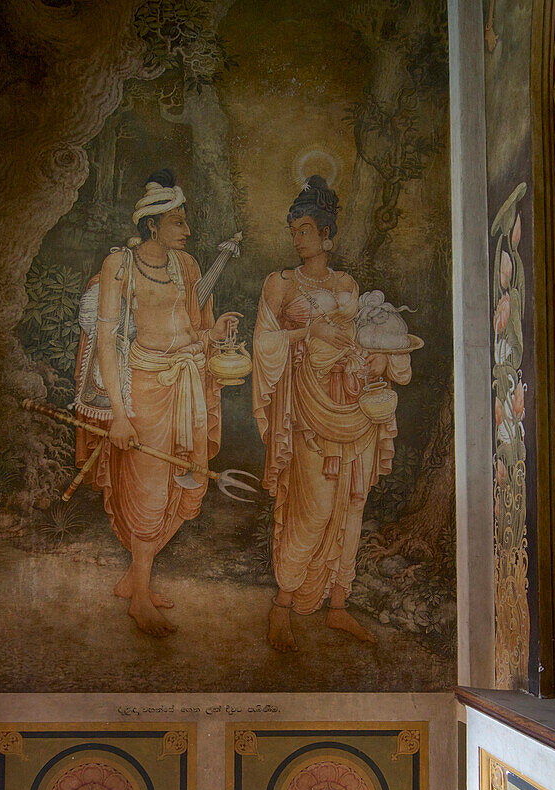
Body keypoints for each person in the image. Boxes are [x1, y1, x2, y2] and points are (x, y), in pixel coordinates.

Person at [74, 170, 240, 637]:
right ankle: (141, 598)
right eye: (178, 222)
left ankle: (136, 578)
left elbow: (187, 330)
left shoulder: (185, 266)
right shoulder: (119, 266)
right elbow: (107, 341)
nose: (187, 231)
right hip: (142, 390)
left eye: (185, 223)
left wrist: (214, 331)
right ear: (153, 225)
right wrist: (121, 416)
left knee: (180, 482)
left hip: (186, 384)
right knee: (147, 488)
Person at [252, 175, 412, 652]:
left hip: (356, 407)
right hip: (307, 410)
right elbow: (264, 344)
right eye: (294, 229)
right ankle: (283, 607)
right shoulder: (279, 283)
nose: (297, 237)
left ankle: (338, 604)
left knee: (352, 506)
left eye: (305, 229)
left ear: (327, 235)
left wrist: (376, 357)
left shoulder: (347, 284)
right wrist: (309, 335)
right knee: (314, 508)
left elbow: (365, 335)